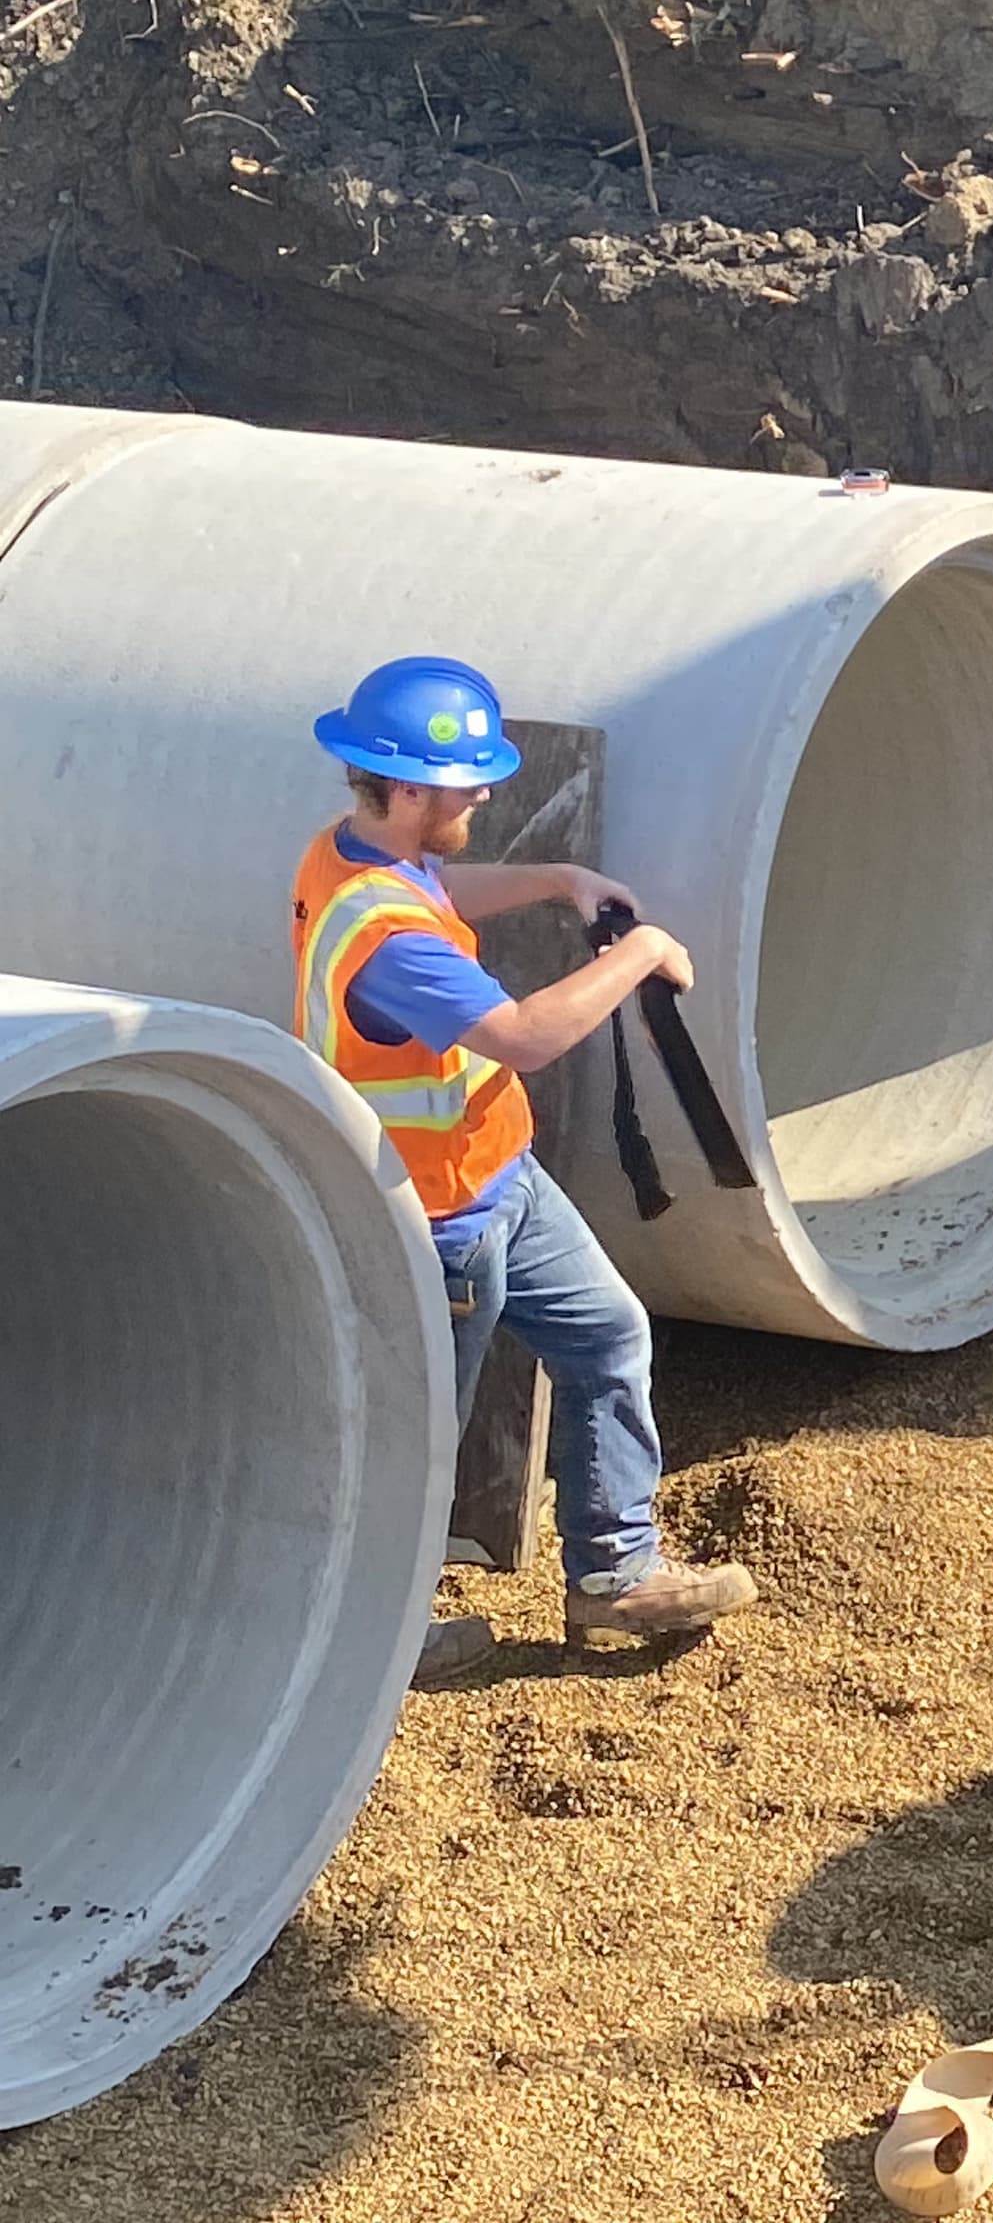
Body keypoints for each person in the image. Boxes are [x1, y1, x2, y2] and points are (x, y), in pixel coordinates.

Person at [294, 655, 759, 1686]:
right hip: (437, 1219)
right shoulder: (388, 943)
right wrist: (635, 958)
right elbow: (525, 1037)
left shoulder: (356, 856)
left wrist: (559, 880)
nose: (487, 795)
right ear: (409, 789)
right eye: (467, 783)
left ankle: (614, 1575)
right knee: (424, 1437)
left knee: (610, 1336)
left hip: (499, 1177)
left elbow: (440, 884)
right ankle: (385, 1639)